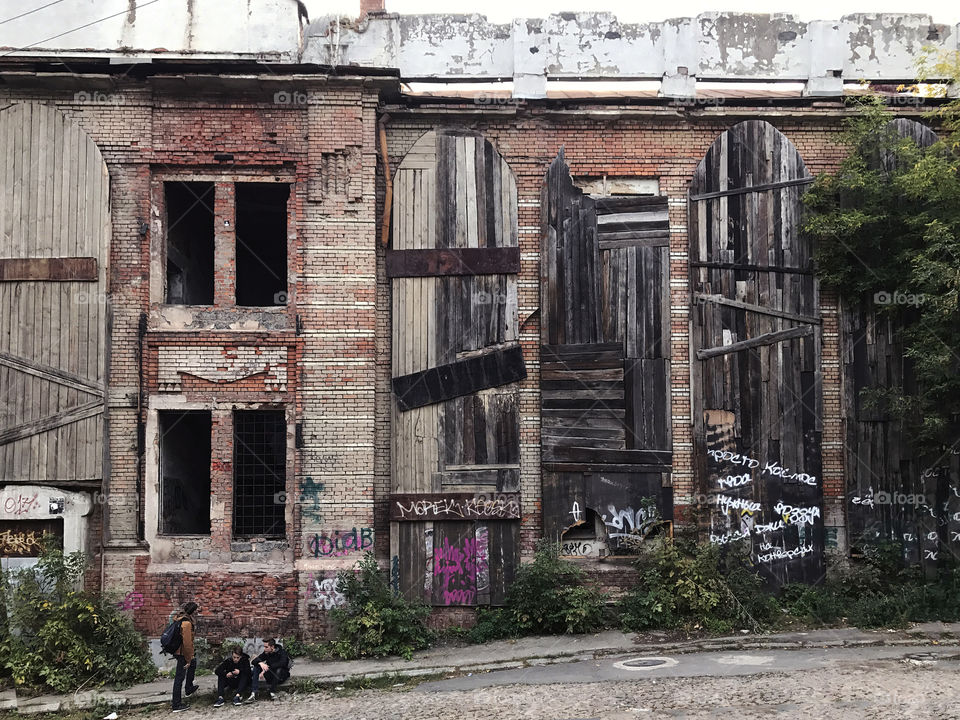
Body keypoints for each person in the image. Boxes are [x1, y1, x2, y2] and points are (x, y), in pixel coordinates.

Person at [171, 601, 200, 713]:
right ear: (193, 611)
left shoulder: (180, 618)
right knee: (179, 677)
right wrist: (188, 658)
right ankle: (176, 704)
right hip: (182, 653)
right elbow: (187, 643)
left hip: (180, 651)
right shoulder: (186, 624)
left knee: (193, 662)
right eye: (196, 610)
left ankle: (189, 688)